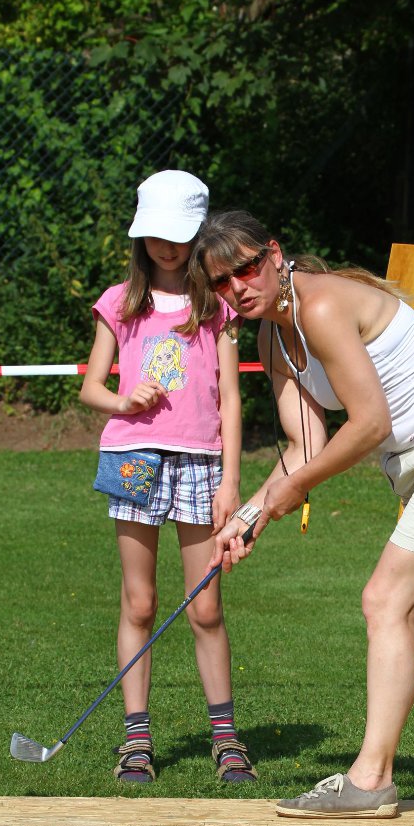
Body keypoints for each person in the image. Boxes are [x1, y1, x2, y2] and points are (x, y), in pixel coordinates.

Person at [196, 209, 414, 819]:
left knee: (385, 601)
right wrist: (251, 513)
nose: (238, 287)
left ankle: (371, 779)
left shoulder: (323, 306)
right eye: (222, 283)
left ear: (275, 255)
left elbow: (370, 425)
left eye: (247, 268)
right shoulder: (272, 338)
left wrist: (291, 490)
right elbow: (304, 447)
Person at [80, 171, 256, 787]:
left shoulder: (221, 306)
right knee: (141, 601)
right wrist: (124, 401)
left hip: (202, 464)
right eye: (155, 233)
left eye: (178, 235)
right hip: (133, 458)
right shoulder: (118, 302)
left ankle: (226, 739)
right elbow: (90, 388)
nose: (166, 246)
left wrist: (231, 480)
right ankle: (136, 741)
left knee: (206, 606)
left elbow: (231, 399)